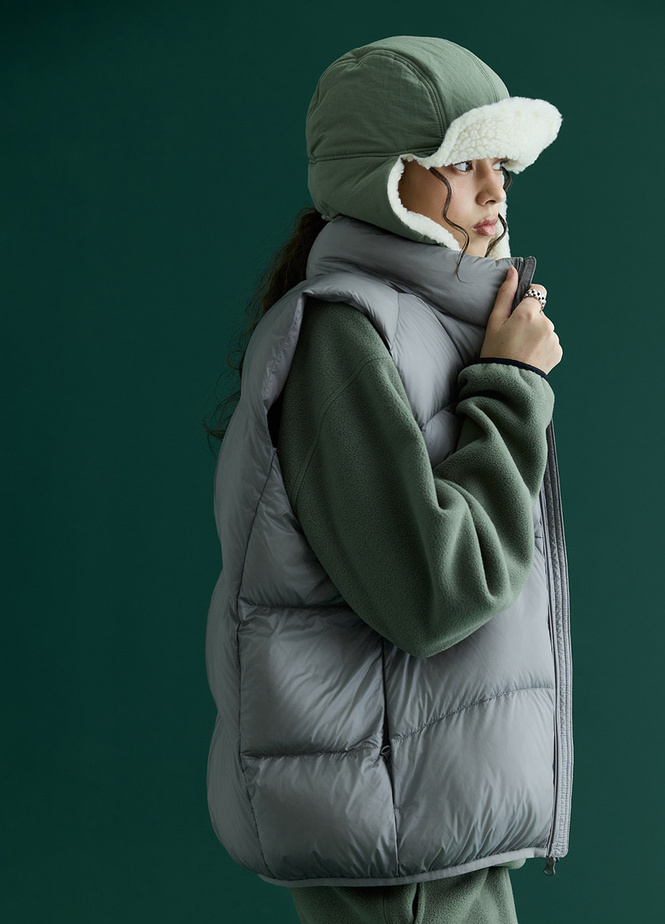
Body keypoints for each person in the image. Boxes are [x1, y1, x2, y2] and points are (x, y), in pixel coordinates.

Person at [204, 35, 573, 924]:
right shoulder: (345, 335)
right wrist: (513, 388)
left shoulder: (426, 325)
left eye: (501, 165)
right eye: (462, 163)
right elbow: (433, 594)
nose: (494, 190)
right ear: (383, 176)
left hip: (427, 817)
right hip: (397, 836)